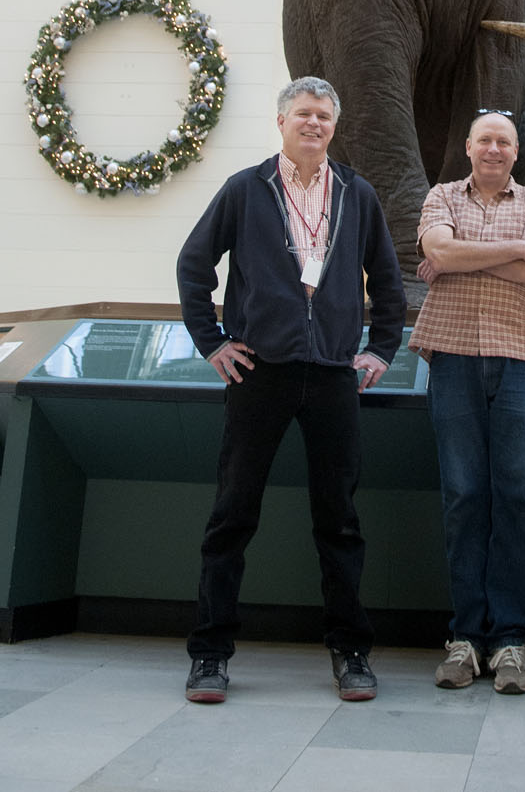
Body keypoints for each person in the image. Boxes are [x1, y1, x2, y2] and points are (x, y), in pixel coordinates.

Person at [176, 76, 406, 706]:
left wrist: (381, 348)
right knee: (232, 515)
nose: (314, 124)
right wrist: (212, 340)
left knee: (339, 519)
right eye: (303, 114)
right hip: (259, 372)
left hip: (333, 374)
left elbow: (388, 281)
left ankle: (352, 652)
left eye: (325, 116)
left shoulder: (357, 194)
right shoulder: (245, 190)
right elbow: (194, 266)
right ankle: (210, 656)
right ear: (280, 121)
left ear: (335, 126)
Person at [410, 108, 525, 695]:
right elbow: (438, 254)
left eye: (505, 141)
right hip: (450, 356)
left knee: (517, 498)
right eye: (485, 140)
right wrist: (509, 251)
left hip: (521, 358)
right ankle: (465, 639)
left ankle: (512, 643)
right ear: (468, 148)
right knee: (464, 497)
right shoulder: (441, 194)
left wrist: (462, 255)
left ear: (515, 152)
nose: (494, 149)